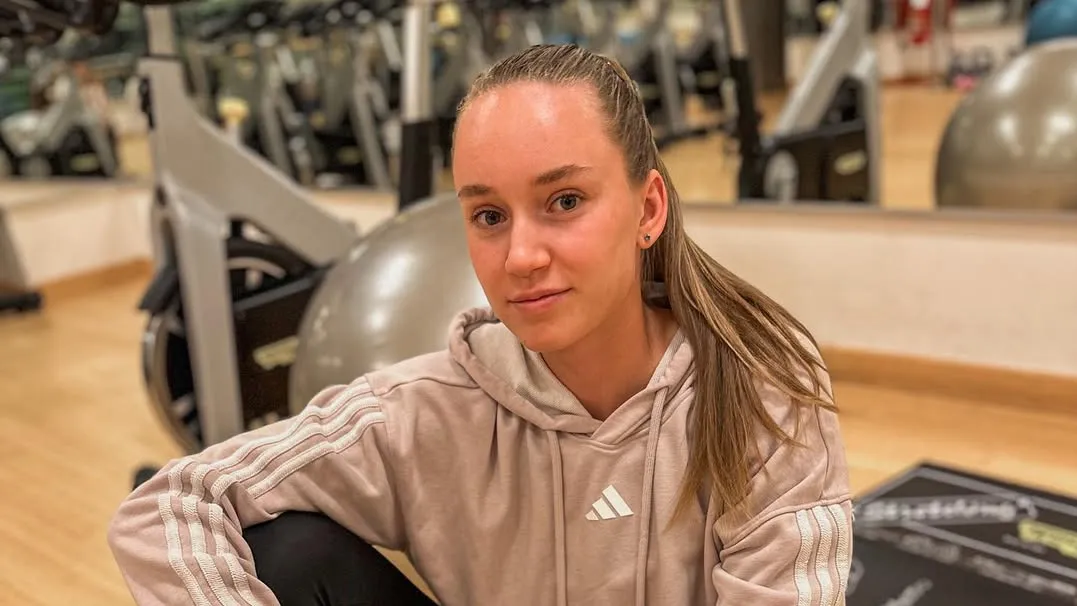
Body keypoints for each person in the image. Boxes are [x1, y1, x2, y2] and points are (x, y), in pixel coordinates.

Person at [108, 44, 853, 606]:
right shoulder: (426, 410)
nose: (521, 256)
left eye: (564, 201)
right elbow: (171, 503)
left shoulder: (761, 390)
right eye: (489, 215)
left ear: (648, 209)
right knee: (288, 551)